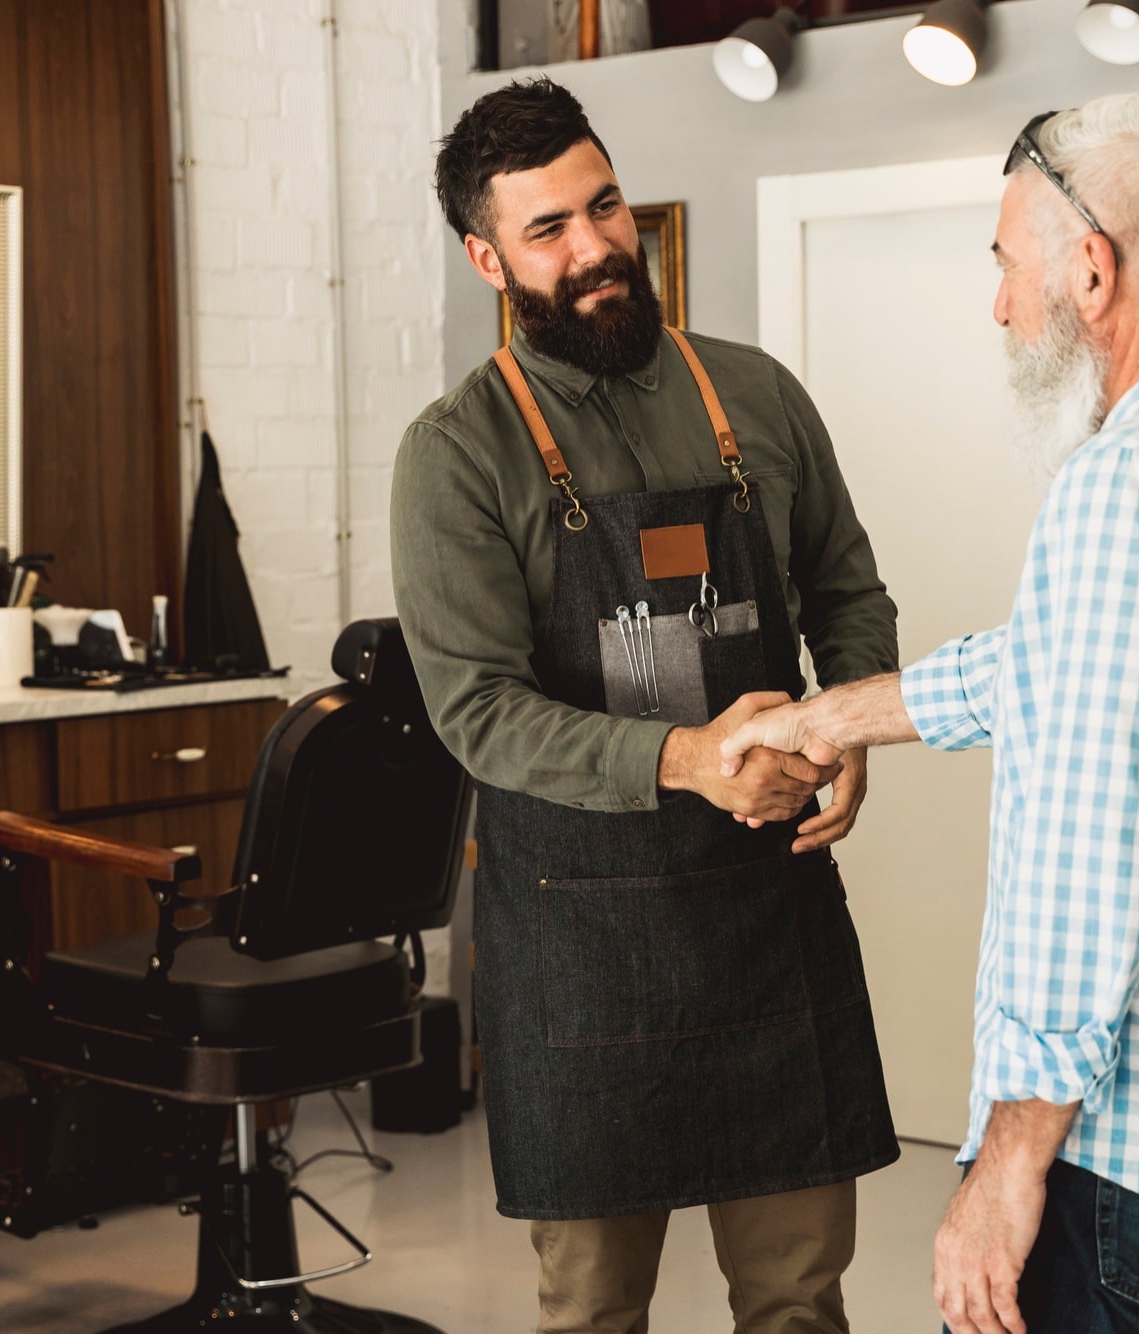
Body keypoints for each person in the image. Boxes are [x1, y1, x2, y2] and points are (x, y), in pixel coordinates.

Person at [721, 93, 1139, 1334]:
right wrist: (833, 718)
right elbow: (1064, 668)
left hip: (1126, 1170)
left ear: (1090, 267)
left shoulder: (1129, 488)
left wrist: (1007, 1158)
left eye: (1003, 264)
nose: (997, 305)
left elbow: (1086, 859)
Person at [391, 77, 901, 1334]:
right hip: (582, 950)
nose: (595, 248)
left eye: (603, 205)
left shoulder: (756, 393)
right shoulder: (455, 452)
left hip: (767, 914)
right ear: (485, 256)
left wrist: (840, 731)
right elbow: (479, 712)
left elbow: (848, 590)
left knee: (797, 1297)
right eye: (548, 229)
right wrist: (690, 756)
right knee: (594, 1312)